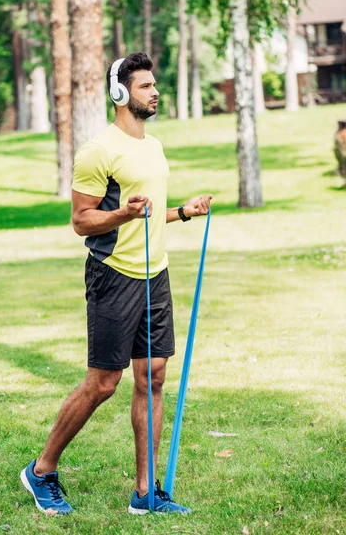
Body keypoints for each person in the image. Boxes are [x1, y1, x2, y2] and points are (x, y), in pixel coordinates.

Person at [20, 52, 212, 515]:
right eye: (145, 86)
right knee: (104, 382)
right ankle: (41, 470)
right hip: (114, 277)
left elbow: (146, 215)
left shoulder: (154, 146)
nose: (155, 92)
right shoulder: (98, 151)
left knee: (153, 376)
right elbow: (82, 221)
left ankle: (146, 493)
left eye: (153, 84)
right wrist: (123, 213)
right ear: (121, 93)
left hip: (155, 273)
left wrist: (181, 212)